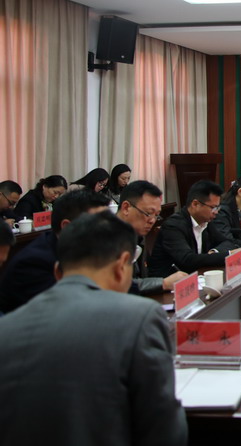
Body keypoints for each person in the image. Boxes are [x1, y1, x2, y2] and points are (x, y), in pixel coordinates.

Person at [0, 212, 187, 446]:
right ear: (121, 266)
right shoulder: (139, 316)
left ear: (57, 272)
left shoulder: (6, 327)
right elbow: (165, 430)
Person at [0, 190, 109, 314]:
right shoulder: (35, 262)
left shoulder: (82, 249)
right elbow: (59, 312)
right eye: (99, 224)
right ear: (67, 226)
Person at [147, 180, 241, 277]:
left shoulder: (205, 221)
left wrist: (213, 252)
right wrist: (229, 254)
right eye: (213, 208)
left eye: (218, 208)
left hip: (197, 277)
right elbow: (188, 259)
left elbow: (227, 242)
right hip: (168, 283)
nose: (216, 212)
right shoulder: (173, 226)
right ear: (195, 204)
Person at [116, 180, 187, 295]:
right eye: (148, 213)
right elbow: (115, 285)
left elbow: (141, 277)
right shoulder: (103, 238)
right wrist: (163, 283)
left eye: (157, 215)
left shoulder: (137, 234)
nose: (152, 221)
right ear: (126, 208)